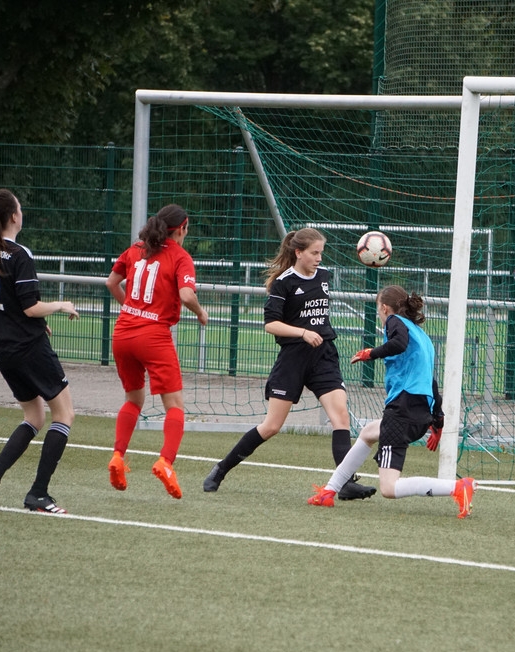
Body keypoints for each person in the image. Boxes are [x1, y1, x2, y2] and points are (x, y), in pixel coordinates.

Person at [202, 227, 375, 500]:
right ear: (299, 253)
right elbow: (271, 325)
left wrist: (315, 333)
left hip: (323, 356)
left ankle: (344, 484)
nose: (319, 258)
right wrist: (302, 332)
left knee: (340, 416)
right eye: (314, 253)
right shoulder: (283, 283)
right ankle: (221, 469)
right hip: (293, 358)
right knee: (271, 426)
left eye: (321, 252)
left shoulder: (324, 277)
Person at [308, 285, 476, 518]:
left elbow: (398, 344)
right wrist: (438, 421)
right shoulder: (422, 336)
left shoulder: (394, 322)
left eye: (379, 309)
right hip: (418, 411)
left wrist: (370, 353)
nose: (380, 313)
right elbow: (432, 383)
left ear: (385, 308)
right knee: (368, 432)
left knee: (389, 488)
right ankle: (329, 491)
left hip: (403, 410)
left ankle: (457, 488)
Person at [0, 188, 78, 514]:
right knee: (64, 414)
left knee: (34, 416)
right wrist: (61, 306)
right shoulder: (20, 254)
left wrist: (26, 321)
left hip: (4, 349)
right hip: (29, 348)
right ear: (14, 216)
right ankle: (38, 494)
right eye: (19, 207)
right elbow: (30, 307)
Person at [105, 204, 208, 499]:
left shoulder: (136, 249)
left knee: (133, 399)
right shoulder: (180, 256)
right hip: (154, 336)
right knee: (174, 405)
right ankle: (165, 462)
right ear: (182, 229)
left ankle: (117, 456)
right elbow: (187, 295)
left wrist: (130, 308)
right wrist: (200, 312)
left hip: (123, 333)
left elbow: (111, 282)